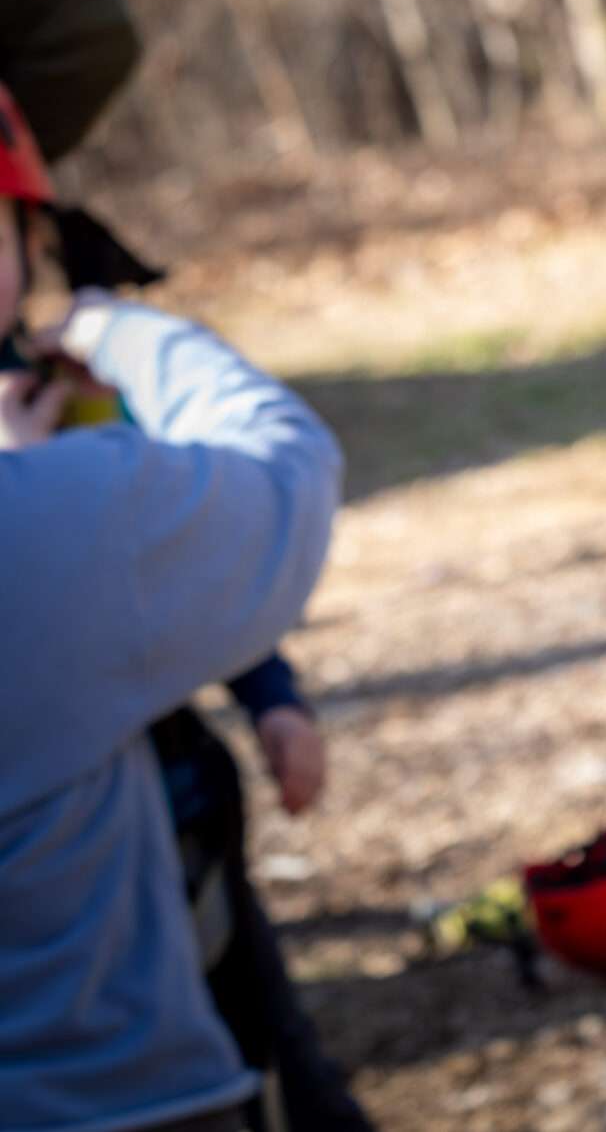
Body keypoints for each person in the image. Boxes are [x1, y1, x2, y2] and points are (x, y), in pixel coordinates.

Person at [0, 251, 343, 1131]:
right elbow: (275, 474)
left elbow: (165, 582)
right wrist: (120, 333)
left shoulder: (52, 416)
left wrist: (272, 693)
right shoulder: (55, 502)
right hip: (112, 1085)